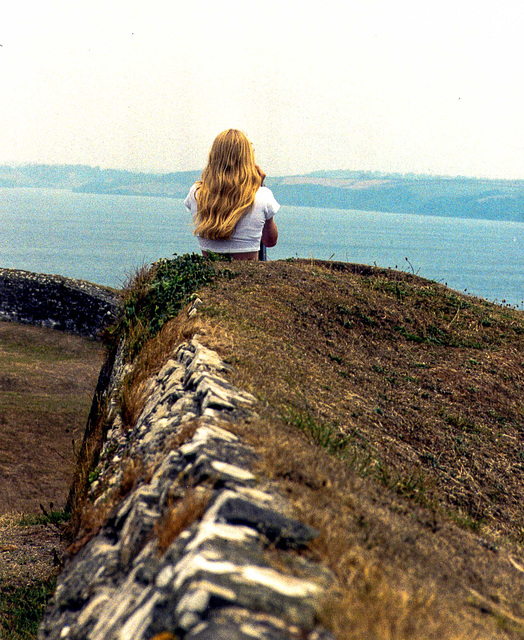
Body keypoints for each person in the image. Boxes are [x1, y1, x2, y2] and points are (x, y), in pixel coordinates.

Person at [184, 129, 279, 260]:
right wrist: (259, 186)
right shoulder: (262, 195)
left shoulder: (196, 192)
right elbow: (270, 241)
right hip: (247, 275)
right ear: (248, 159)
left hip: (209, 273)